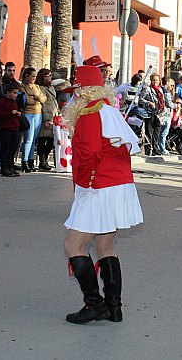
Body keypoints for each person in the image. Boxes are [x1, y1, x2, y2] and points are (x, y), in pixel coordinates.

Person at [62, 65, 143, 324]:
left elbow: (89, 155)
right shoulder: (110, 111)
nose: (73, 97)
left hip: (99, 186)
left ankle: (94, 305)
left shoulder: (89, 113)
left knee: (73, 245)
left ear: (84, 92)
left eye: (76, 92)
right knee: (104, 245)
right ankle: (113, 307)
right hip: (118, 186)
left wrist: (84, 186)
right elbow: (130, 145)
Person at [18, 67, 47, 172]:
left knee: (33, 139)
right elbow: (26, 100)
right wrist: (36, 97)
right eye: (32, 76)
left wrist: (37, 97)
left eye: (35, 76)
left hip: (38, 114)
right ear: (27, 75)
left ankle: (31, 161)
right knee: (28, 139)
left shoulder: (37, 87)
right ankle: (24, 161)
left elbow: (44, 99)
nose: (34, 78)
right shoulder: (22, 87)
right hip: (28, 113)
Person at [0, 82, 22, 177]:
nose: (15, 95)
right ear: (8, 92)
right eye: (14, 93)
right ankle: (5, 167)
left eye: (16, 93)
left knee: (12, 148)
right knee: (5, 148)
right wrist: (10, 113)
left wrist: (18, 114)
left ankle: (10, 166)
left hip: (15, 127)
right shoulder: (2, 101)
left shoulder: (14, 102)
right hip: (5, 128)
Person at [138, 73, 169, 156]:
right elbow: (140, 100)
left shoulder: (161, 89)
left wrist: (164, 106)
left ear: (159, 81)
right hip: (150, 112)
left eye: (157, 80)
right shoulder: (148, 89)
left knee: (157, 132)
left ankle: (155, 148)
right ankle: (149, 149)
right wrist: (149, 103)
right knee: (149, 131)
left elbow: (163, 100)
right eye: (154, 80)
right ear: (151, 80)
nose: (155, 81)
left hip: (159, 113)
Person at [37, 69, 59, 170]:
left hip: (53, 115)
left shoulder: (51, 87)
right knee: (43, 140)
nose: (51, 77)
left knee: (50, 140)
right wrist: (46, 118)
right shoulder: (41, 88)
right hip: (46, 116)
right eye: (48, 75)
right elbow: (43, 104)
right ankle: (42, 161)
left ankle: (45, 160)